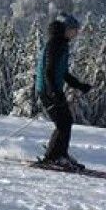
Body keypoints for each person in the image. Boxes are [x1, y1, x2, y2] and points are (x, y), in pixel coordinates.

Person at [33, 12, 92, 171]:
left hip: (52, 89)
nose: (77, 32)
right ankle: (54, 157)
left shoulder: (61, 43)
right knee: (63, 123)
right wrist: (53, 93)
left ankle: (60, 154)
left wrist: (80, 85)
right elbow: (49, 71)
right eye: (74, 29)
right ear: (66, 29)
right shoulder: (56, 44)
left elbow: (63, 73)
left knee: (65, 122)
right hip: (48, 90)